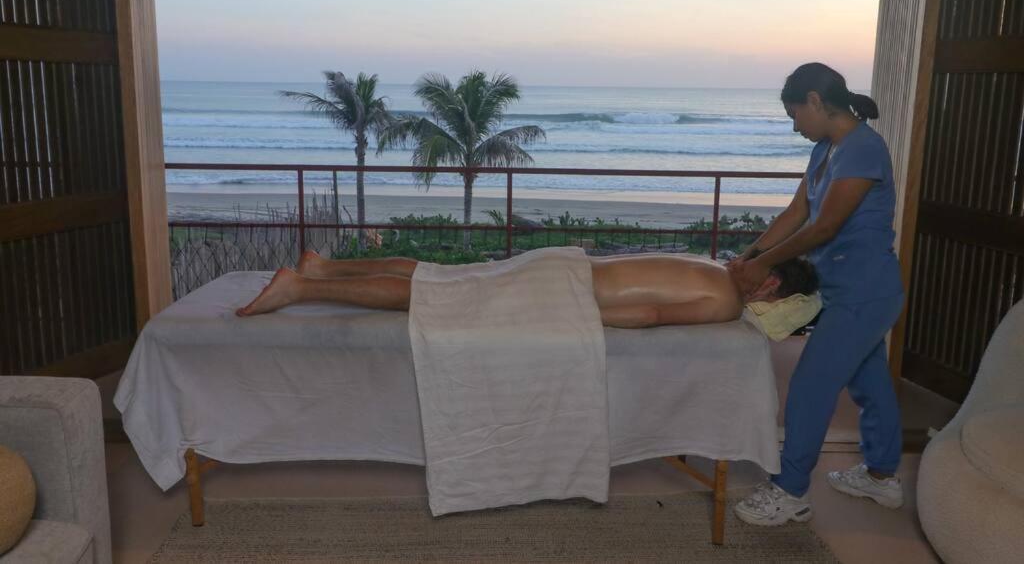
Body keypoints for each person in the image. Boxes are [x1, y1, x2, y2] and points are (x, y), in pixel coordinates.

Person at [729, 62, 906, 527]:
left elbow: (826, 225)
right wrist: (748, 254)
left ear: (814, 100)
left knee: (811, 383)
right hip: (845, 287)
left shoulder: (864, 148)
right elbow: (796, 211)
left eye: (794, 115)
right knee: (869, 382)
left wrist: (765, 265)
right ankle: (883, 476)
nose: (794, 126)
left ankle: (790, 491)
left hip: (866, 290)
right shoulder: (826, 149)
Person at [237, 248, 818, 329]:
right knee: (434, 293)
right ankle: (301, 290)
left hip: (563, 265)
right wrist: (582, 322)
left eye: (761, 261)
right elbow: (643, 315)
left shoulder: (710, 269)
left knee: (440, 274)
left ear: (770, 284)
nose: (750, 258)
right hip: (562, 293)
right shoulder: (720, 296)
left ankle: (324, 270)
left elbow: (645, 303)